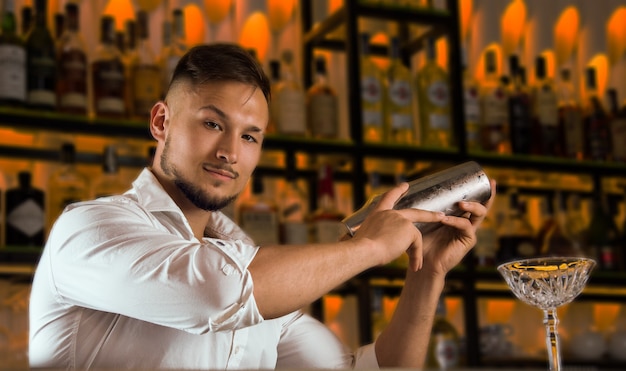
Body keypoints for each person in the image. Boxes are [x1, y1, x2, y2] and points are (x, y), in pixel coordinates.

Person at [29, 43, 496, 369]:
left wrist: (426, 274)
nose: (231, 151)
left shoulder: (252, 264)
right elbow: (212, 293)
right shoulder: (88, 229)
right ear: (161, 121)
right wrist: (370, 248)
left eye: (250, 136)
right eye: (213, 123)